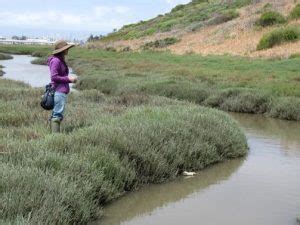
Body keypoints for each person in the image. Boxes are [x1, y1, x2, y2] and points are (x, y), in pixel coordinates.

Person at [48, 40, 77, 133]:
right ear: (62, 50)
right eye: (66, 48)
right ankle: (55, 138)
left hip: (60, 91)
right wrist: (69, 79)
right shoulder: (56, 61)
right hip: (58, 91)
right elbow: (54, 77)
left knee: (56, 114)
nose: (68, 49)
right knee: (57, 115)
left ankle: (54, 136)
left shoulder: (59, 60)